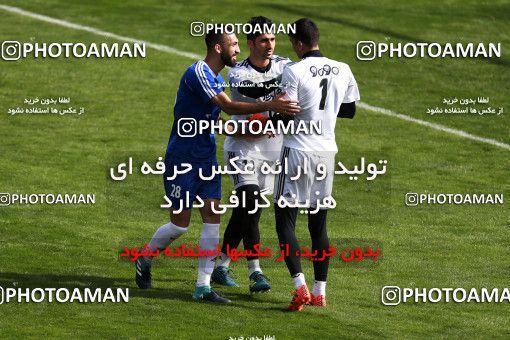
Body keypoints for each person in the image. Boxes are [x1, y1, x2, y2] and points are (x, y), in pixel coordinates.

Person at [135, 30, 300, 304]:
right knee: (180, 226)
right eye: (233, 45)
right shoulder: (198, 72)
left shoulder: (216, 78)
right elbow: (228, 106)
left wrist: (253, 130)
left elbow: (218, 120)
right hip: (182, 159)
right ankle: (145, 257)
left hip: (206, 159)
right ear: (217, 48)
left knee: (213, 219)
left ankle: (202, 287)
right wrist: (269, 104)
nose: (237, 50)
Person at [274, 18, 359, 311]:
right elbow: (349, 111)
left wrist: (270, 114)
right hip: (326, 153)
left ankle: (300, 287)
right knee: (318, 224)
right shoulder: (343, 69)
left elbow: (286, 112)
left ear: (298, 43)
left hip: (297, 151)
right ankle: (321, 291)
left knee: (284, 221)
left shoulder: (293, 70)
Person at [211, 16, 292, 294]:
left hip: (271, 150)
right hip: (242, 148)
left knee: (248, 210)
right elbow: (251, 92)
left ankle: (221, 264)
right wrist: (276, 104)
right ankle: (255, 271)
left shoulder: (285, 65)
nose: (269, 45)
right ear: (250, 43)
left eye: (272, 39)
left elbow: (296, 99)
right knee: (250, 202)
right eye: (263, 41)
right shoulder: (238, 73)